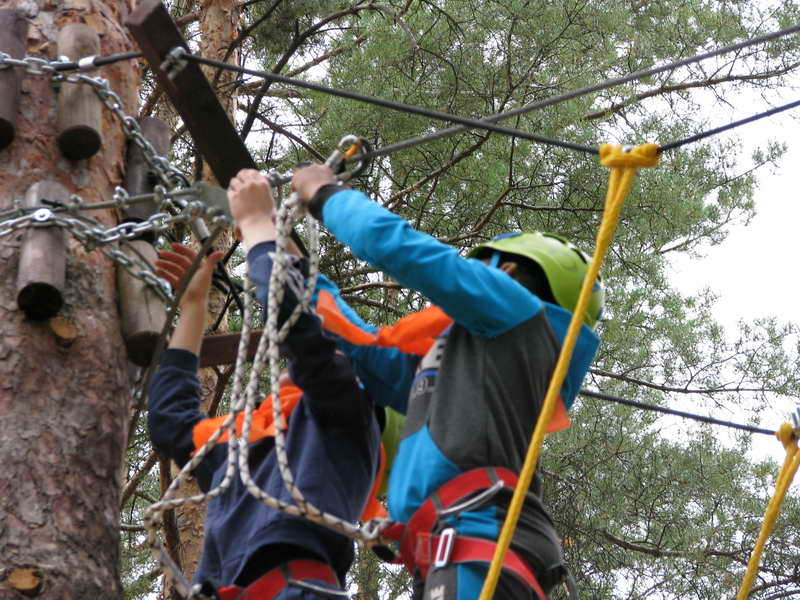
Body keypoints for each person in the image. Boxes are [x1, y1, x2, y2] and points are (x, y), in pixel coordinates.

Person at [290, 164, 605, 600]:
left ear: (507, 273)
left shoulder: (518, 314)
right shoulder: (467, 371)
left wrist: (326, 195)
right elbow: (359, 351)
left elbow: (405, 251)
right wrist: (286, 268)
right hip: (455, 553)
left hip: (478, 544)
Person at [147, 169, 382, 599]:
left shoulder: (345, 411)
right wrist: (194, 308)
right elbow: (170, 424)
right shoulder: (246, 437)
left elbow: (303, 332)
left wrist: (259, 227)